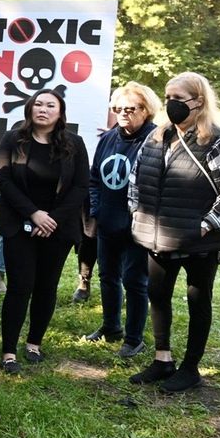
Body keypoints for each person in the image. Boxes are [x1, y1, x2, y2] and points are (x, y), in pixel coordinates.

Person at [128, 72, 220, 392]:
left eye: (178, 99)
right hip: (158, 235)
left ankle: (190, 367)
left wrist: (207, 224)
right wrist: (136, 213)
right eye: (167, 98)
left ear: (198, 101)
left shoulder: (218, 140)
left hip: (200, 241)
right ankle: (162, 359)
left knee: (198, 300)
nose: (171, 105)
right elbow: (137, 181)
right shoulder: (156, 137)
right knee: (158, 296)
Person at [0, 89, 90, 375]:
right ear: (29, 108)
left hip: (57, 229)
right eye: (38, 104)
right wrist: (33, 214)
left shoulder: (75, 143)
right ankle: (9, 351)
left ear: (60, 112)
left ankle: (34, 342)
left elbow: (81, 186)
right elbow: (3, 178)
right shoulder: (13, 139)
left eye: (50, 105)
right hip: (18, 224)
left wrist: (52, 220)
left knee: (46, 287)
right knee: (19, 287)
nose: (43, 109)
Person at [84, 83, 160, 358]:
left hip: (139, 225)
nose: (123, 114)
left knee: (134, 280)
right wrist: (95, 212)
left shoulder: (156, 140)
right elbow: (94, 179)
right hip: (108, 220)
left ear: (146, 110)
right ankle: (111, 326)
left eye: (131, 109)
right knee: (107, 276)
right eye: (118, 109)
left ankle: (134, 338)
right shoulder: (108, 138)